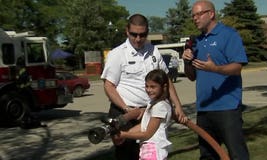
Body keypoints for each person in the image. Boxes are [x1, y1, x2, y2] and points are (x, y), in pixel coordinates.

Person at [101, 14, 187, 160]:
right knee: (127, 154)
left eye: (143, 35)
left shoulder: (153, 51)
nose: (138, 39)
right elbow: (109, 86)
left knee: (149, 153)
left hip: (149, 112)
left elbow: (165, 79)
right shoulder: (117, 54)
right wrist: (127, 109)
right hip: (125, 113)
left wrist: (177, 106)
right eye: (134, 34)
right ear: (127, 31)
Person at [182, 0, 249, 159]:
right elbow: (191, 77)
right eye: (193, 16)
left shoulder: (228, 35)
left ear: (211, 14)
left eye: (198, 14)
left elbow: (237, 67)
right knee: (207, 156)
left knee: (237, 154)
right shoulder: (196, 41)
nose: (195, 19)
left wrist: (215, 69)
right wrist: (187, 61)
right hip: (204, 109)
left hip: (227, 108)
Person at [114, 69, 173, 160]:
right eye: (146, 86)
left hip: (154, 149)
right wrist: (125, 133)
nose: (148, 90)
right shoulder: (154, 103)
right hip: (149, 148)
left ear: (164, 87)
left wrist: (123, 134)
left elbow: (147, 134)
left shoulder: (160, 106)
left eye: (153, 87)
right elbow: (144, 126)